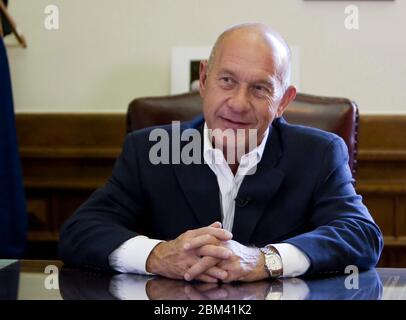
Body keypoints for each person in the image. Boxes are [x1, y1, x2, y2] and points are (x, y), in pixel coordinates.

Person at [59, 23, 383, 283]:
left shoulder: (318, 153)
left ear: (283, 101)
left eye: (260, 88)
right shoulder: (150, 150)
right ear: (203, 79)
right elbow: (81, 231)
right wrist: (158, 255)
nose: (239, 104)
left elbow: (361, 235)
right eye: (227, 81)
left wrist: (265, 260)